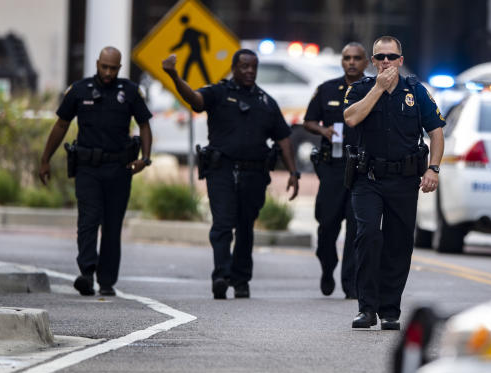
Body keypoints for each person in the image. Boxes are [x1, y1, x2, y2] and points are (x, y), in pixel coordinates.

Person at [161, 49, 299, 299]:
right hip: (221, 170)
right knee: (223, 224)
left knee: (245, 227)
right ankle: (221, 276)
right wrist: (174, 76)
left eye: (253, 67)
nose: (249, 71)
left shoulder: (266, 102)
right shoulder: (218, 92)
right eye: (244, 66)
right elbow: (195, 100)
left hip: (254, 174)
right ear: (234, 68)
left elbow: (284, 138)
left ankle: (241, 279)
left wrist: (293, 172)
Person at [343, 36, 445, 330]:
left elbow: (436, 132)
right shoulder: (361, 89)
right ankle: (366, 308)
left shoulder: (416, 92)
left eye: (391, 56)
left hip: (403, 179)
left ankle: (390, 310)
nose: (385, 62)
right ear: (372, 62)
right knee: (369, 235)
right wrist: (377, 88)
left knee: (398, 244)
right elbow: (351, 119)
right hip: (368, 179)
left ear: (401, 60)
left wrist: (433, 169)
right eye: (380, 57)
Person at [39, 47, 153, 297]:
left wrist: (145, 159)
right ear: (97, 64)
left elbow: (144, 125)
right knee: (88, 221)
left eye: (114, 68)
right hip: (88, 168)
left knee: (112, 226)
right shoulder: (79, 90)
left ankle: (107, 280)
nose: (109, 72)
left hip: (119, 168)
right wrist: (45, 158)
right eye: (105, 67)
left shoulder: (130, 92)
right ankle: (87, 273)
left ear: (119, 68)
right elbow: (61, 124)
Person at [301, 42, 368, 299]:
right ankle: (327, 267)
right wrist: (323, 130)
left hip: (361, 168)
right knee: (327, 224)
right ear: (342, 61)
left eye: (356, 58)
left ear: (365, 62)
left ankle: (350, 283)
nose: (351, 62)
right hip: (332, 167)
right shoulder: (327, 89)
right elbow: (308, 121)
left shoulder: (373, 90)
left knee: (355, 228)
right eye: (347, 58)